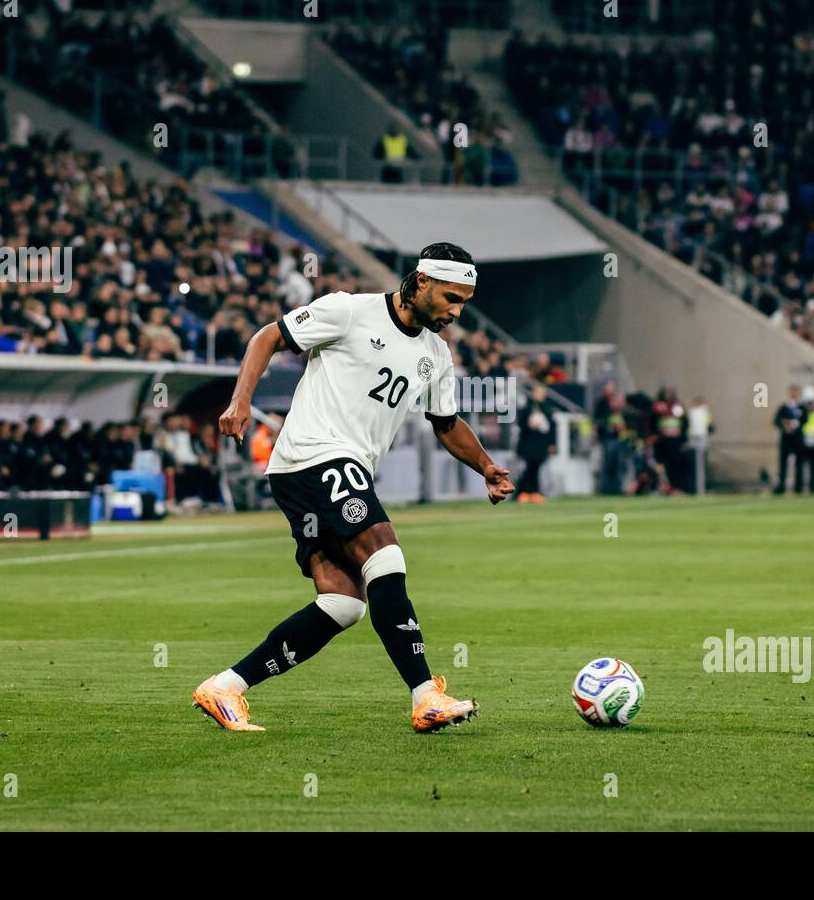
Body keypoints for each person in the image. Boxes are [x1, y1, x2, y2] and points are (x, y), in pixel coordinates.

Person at [200, 242, 513, 734]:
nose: (456, 311)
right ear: (422, 282)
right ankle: (425, 695)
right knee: (384, 555)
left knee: (343, 603)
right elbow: (268, 338)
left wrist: (487, 467)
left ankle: (225, 687)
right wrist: (241, 402)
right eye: (451, 297)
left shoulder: (435, 354)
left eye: (464, 303)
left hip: (337, 468)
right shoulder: (349, 311)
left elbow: (447, 423)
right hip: (314, 453)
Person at [515, 382, 555, 502]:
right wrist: (530, 426)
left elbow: (551, 428)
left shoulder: (547, 409)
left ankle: (533, 492)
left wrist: (551, 443)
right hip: (528, 443)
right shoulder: (527, 408)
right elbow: (521, 425)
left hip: (540, 444)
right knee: (528, 468)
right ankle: (524, 492)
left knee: (536, 468)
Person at [773, 384, 805, 494]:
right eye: (792, 391)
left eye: (795, 391)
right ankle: (781, 486)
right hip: (786, 439)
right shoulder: (783, 407)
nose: (793, 393)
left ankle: (798, 488)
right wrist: (785, 425)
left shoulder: (801, 407)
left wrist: (794, 424)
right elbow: (776, 421)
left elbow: (805, 420)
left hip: (798, 439)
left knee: (799, 464)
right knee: (783, 463)